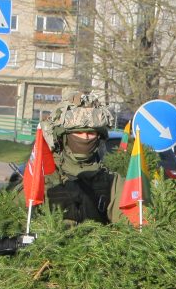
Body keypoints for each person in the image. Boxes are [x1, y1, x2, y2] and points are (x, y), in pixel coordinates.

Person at [39, 92, 118, 224]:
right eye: (78, 132)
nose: (85, 138)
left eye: (91, 133)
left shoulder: (112, 182)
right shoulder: (43, 177)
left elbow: (132, 228)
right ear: (62, 137)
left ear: (99, 137)